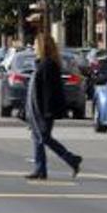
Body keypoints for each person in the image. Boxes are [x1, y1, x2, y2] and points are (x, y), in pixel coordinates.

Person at [25, 33, 82, 181]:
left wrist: (48, 111)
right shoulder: (42, 63)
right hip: (38, 109)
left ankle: (71, 159)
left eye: (36, 44)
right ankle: (40, 169)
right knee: (38, 137)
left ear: (43, 46)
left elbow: (49, 91)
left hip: (44, 110)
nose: (34, 47)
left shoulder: (48, 65)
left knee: (44, 138)